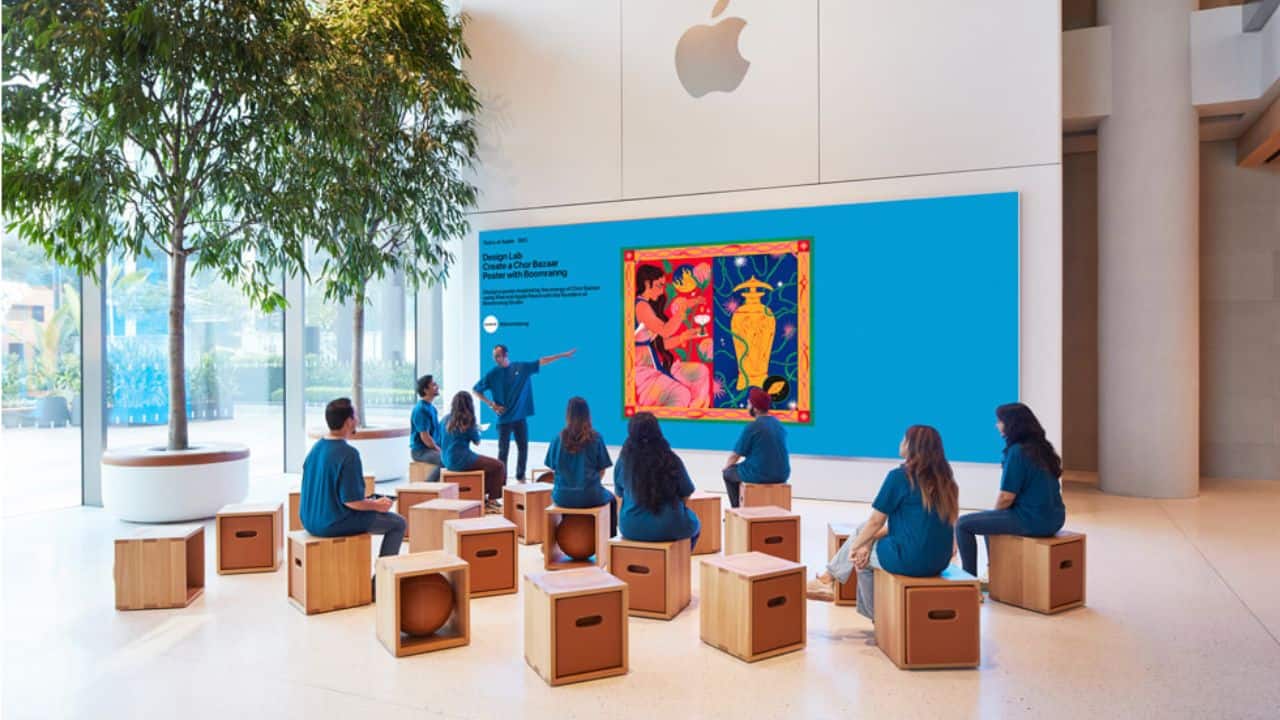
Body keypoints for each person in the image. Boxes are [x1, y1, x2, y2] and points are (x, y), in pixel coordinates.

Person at [806, 425, 959, 622]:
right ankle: (828, 578)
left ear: (912, 446)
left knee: (861, 560)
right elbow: (907, 527)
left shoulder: (900, 477)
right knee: (863, 535)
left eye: (904, 439)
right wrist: (866, 543)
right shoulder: (946, 480)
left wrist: (857, 547)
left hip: (911, 560)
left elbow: (876, 521)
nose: (901, 443)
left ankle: (878, 619)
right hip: (939, 560)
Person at [954, 403, 1066, 578]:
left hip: (1032, 520)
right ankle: (995, 573)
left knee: (962, 524)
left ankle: (969, 581)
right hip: (1056, 518)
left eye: (1000, 421)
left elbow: (1006, 497)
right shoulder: (1043, 449)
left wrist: (993, 514)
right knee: (987, 521)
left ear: (1012, 424)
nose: (997, 426)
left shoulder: (1017, 452)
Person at [300, 398, 406, 566]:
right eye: (355, 416)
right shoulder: (348, 454)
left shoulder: (316, 448)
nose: (357, 419)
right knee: (398, 523)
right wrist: (377, 505)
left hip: (308, 519)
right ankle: (381, 581)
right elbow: (352, 502)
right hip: (332, 522)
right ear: (349, 421)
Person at [473, 344, 576, 482]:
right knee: (503, 451)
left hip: (520, 418)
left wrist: (562, 355)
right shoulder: (493, 374)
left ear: (506, 355)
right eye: (494, 356)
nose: (495, 359)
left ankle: (520, 477)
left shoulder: (521, 368)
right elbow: (476, 390)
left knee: (523, 448)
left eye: (498, 356)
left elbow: (543, 361)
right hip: (503, 420)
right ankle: (501, 480)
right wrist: (491, 404)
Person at [613, 412, 701, 549]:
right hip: (669, 526)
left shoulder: (624, 461)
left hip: (631, 528)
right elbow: (686, 492)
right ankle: (679, 563)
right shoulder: (671, 459)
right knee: (695, 524)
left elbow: (620, 494)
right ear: (658, 431)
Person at [633, 264, 711, 408]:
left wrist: (683, 337)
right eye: (659, 285)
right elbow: (665, 331)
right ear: (646, 283)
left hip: (660, 364)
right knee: (682, 394)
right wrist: (682, 309)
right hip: (644, 371)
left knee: (701, 372)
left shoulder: (648, 306)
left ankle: (694, 410)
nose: (662, 290)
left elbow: (660, 344)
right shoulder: (641, 306)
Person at [544, 397, 617, 536]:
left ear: (568, 414)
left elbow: (553, 469)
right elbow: (602, 469)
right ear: (587, 414)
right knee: (612, 499)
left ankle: (565, 538)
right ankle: (610, 543)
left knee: (564, 499)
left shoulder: (557, 438)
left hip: (562, 496)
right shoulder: (596, 438)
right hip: (590, 495)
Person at [722, 387, 791, 507]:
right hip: (783, 474)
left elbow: (735, 455)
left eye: (749, 404)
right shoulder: (778, 424)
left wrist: (726, 467)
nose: (747, 407)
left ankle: (737, 510)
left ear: (755, 408)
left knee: (728, 474)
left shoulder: (753, 426)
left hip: (760, 474)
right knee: (740, 468)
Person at [442, 391, 506, 512]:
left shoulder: (444, 419)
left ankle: (482, 495)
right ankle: (492, 501)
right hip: (462, 459)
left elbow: (439, 440)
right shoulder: (468, 420)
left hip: (446, 460)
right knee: (499, 466)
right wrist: (477, 429)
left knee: (488, 467)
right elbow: (477, 442)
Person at [409, 374, 443, 482]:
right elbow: (425, 437)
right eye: (433, 385)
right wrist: (439, 449)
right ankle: (427, 487)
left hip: (430, 449)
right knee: (445, 460)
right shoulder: (420, 409)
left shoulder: (432, 408)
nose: (437, 386)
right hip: (421, 451)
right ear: (426, 390)